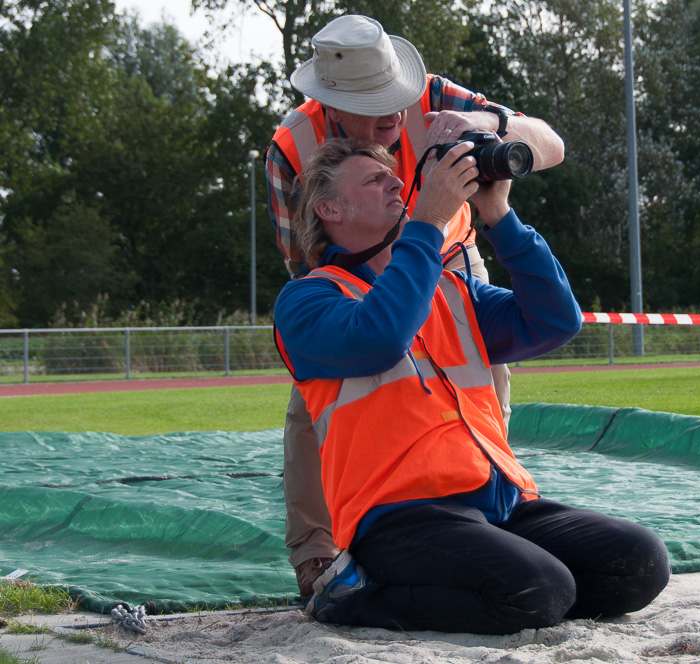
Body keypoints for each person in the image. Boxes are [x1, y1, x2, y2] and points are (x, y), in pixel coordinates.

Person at [272, 137, 670, 634]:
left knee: (640, 561)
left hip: (500, 499)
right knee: (540, 588)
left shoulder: (451, 289)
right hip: (399, 517)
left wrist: (499, 213)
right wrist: (428, 223)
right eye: (375, 180)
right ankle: (353, 599)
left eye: (392, 174)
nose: (397, 182)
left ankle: (497, 589)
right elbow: (382, 335)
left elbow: (554, 320)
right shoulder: (306, 301)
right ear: (329, 208)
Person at [265, 14, 566, 598]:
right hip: (355, 274)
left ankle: (480, 504)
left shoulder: (434, 95)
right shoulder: (292, 148)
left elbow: (550, 145)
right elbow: (310, 268)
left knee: (482, 382)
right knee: (316, 400)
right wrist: (379, 293)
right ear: (330, 103)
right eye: (374, 101)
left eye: (397, 94)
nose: (395, 112)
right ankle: (317, 555)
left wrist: (485, 122)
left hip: (452, 264)